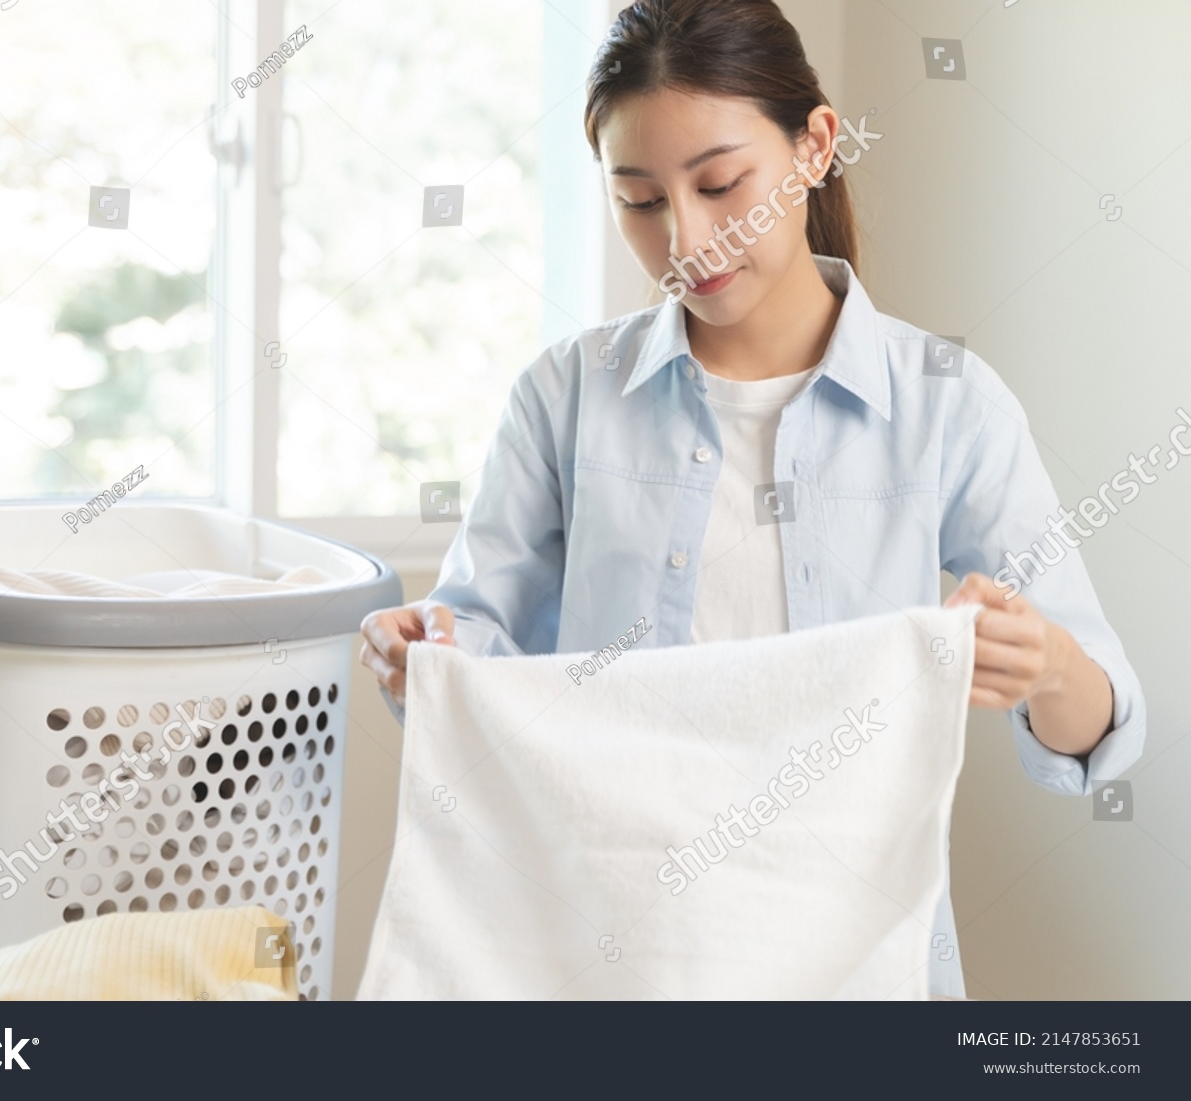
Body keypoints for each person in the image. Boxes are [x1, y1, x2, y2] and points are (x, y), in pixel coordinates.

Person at [358, 0, 1144, 998]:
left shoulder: (946, 404)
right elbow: (476, 652)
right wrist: (422, 654)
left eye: (721, 184)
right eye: (640, 200)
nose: (684, 237)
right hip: (612, 952)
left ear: (814, 146)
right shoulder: (565, 396)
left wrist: (1047, 663)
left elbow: (1101, 733)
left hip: (855, 966)